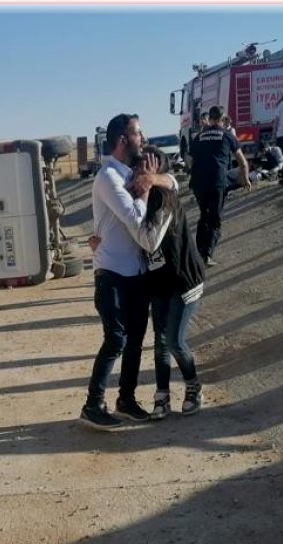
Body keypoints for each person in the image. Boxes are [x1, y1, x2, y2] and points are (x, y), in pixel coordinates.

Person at [80, 114, 176, 431]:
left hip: (136, 273)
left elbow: (173, 182)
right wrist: (147, 186)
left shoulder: (130, 173)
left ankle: (126, 399)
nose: (143, 137)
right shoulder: (109, 177)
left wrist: (153, 179)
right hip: (112, 274)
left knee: (135, 340)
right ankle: (93, 406)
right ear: (123, 139)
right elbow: (136, 219)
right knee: (116, 340)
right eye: (138, 132)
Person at [138, 147, 205, 420]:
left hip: (183, 280)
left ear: (155, 172)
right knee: (160, 342)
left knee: (175, 341)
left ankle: (193, 386)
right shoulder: (137, 198)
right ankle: (162, 396)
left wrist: (149, 187)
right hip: (159, 282)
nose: (136, 174)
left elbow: (149, 240)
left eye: (142, 169)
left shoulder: (165, 199)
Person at [189, 106, 251, 268]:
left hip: (199, 182)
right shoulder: (227, 135)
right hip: (217, 182)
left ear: (209, 118)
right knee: (215, 220)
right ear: (223, 119)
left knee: (204, 215)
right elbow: (242, 162)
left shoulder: (199, 136)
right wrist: (245, 179)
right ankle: (206, 255)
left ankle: (200, 252)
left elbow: (189, 160)